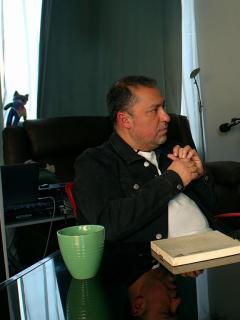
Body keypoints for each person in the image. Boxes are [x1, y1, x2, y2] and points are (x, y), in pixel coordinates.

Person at [74, 75, 217, 242]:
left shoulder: (172, 150)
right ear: (125, 120)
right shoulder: (95, 162)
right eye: (154, 110)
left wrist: (199, 176)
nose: (166, 117)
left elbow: (212, 208)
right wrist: (174, 178)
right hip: (166, 261)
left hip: (216, 240)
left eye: (163, 107)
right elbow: (107, 226)